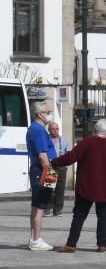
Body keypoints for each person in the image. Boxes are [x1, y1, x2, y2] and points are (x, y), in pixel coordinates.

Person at [51, 119, 106, 253]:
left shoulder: (86, 143)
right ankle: (102, 245)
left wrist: (55, 162)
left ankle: (71, 244)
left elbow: (70, 157)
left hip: (86, 186)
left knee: (79, 215)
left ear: (94, 130)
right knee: (103, 217)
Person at [25, 101, 57, 251]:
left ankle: (34, 238)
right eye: (47, 111)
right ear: (39, 114)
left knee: (36, 206)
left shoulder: (34, 128)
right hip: (42, 170)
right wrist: (51, 175)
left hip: (38, 170)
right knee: (40, 207)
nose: (49, 113)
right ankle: (36, 240)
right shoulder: (39, 130)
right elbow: (43, 155)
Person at [47, 121, 70, 216]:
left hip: (61, 166)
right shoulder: (46, 139)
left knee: (60, 189)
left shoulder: (63, 139)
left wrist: (65, 161)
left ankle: (58, 210)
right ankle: (47, 208)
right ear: (49, 130)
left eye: (57, 129)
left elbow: (68, 152)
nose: (55, 131)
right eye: (53, 129)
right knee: (49, 188)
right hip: (51, 165)